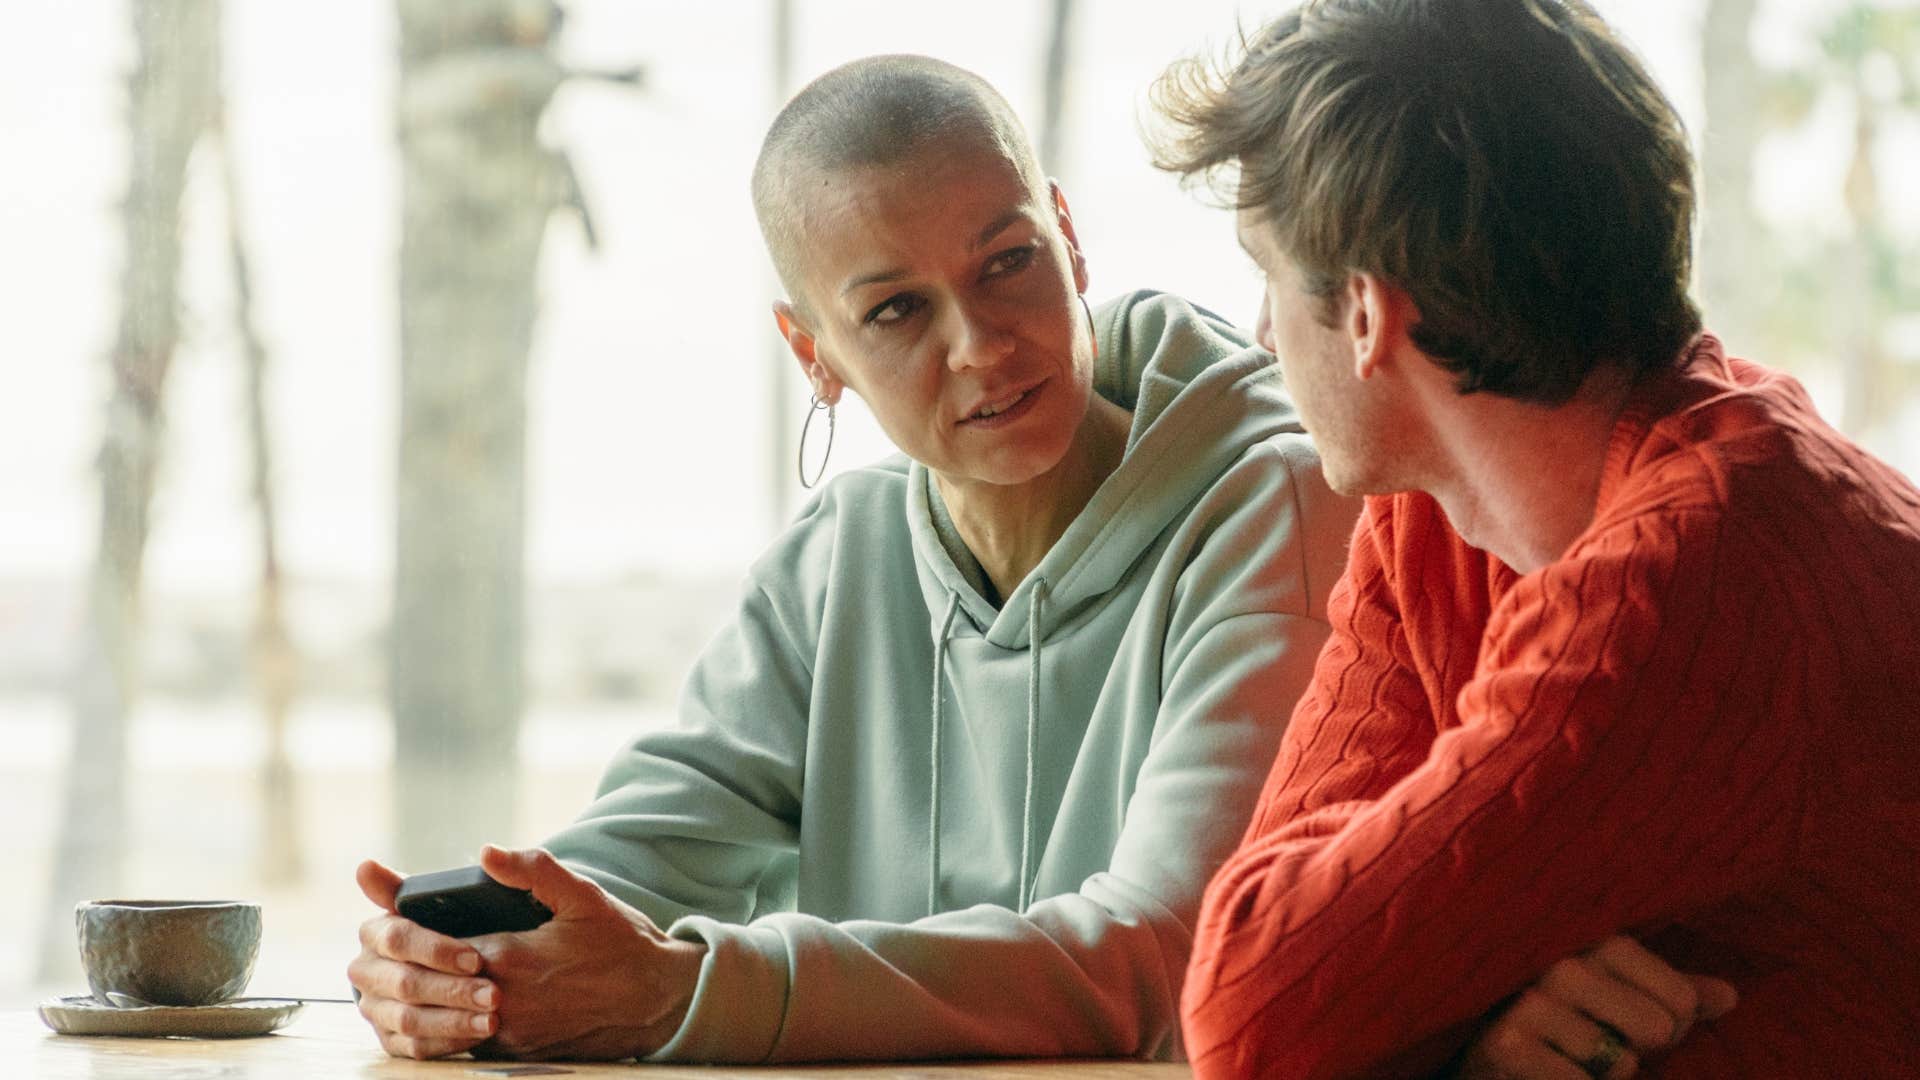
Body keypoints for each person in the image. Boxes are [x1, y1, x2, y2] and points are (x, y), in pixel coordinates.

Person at [347, 54, 1720, 1072]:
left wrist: (678, 991)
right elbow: (630, 860)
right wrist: (457, 953)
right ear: (809, 349)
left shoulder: (1281, 494)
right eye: (894, 311)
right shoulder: (841, 559)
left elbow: (1160, 958)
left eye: (1008, 264)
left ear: (1067, 235)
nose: (983, 344)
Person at [1150, 1, 1920, 1078]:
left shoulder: (1699, 568)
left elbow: (1251, 1011)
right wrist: (1485, 1014)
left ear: (1369, 314)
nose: (1261, 328)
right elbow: (1278, 950)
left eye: (1267, 273)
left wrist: (1440, 999)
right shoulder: (1431, 510)